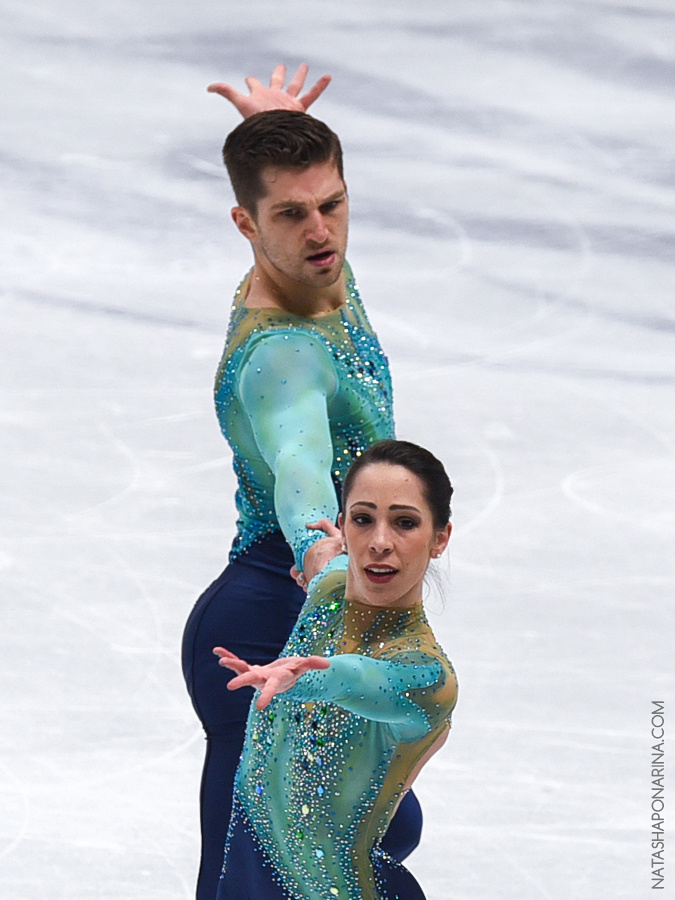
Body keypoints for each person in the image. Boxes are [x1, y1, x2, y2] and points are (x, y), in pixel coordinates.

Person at [181, 66, 419, 900]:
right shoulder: (286, 355)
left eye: (333, 203)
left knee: (366, 839)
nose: (323, 231)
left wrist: (273, 127)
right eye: (291, 213)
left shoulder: (314, 269)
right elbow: (296, 466)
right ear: (245, 224)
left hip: (318, 620)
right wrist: (322, 548)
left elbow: (303, 209)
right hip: (267, 628)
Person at [214, 440, 459, 900]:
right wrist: (316, 552)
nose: (381, 542)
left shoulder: (427, 674)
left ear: (440, 537)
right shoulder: (328, 582)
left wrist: (305, 677)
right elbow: (303, 507)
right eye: (364, 519)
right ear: (344, 526)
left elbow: (360, 678)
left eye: (405, 523)